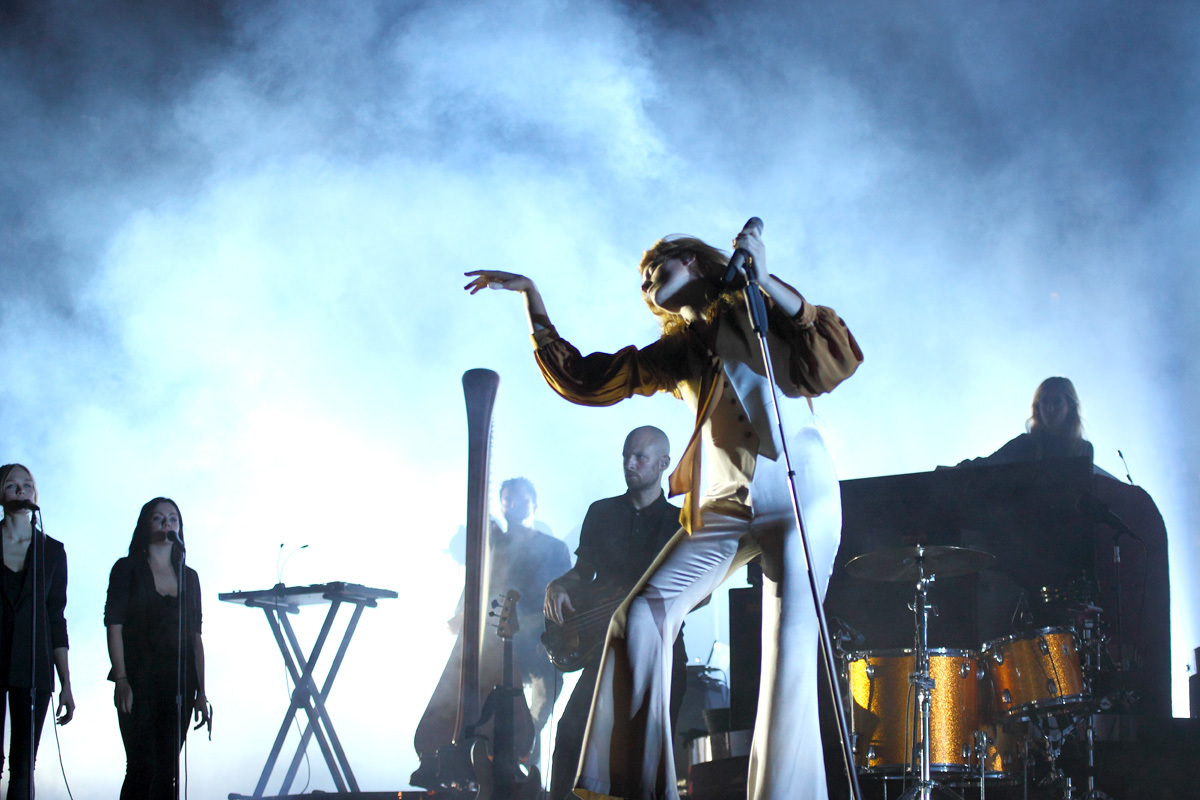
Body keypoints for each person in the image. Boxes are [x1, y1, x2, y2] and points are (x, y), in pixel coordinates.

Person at [465, 220, 862, 800]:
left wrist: (764, 278)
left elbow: (835, 360)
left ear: (695, 263)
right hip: (726, 499)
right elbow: (587, 378)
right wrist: (533, 300)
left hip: (800, 485)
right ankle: (645, 791)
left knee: (790, 655)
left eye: (657, 270)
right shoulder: (679, 353)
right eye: (644, 282)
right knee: (639, 620)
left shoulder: (758, 304)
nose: (648, 284)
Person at [544, 426, 689, 800]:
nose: (630, 463)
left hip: (661, 652)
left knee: (645, 756)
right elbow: (583, 572)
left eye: (640, 456)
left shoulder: (681, 522)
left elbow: (698, 593)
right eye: (626, 455)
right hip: (603, 646)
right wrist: (558, 584)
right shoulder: (602, 512)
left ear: (663, 463)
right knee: (570, 736)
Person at [412, 477, 571, 787]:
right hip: (494, 646)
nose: (511, 505)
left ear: (534, 504)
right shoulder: (494, 546)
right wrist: (462, 614)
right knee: (473, 681)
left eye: (519, 499)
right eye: (506, 500)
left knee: (544, 693)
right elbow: (477, 585)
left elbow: (563, 596)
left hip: (537, 643)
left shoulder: (552, 548)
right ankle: (461, 756)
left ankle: (522, 762)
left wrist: (547, 635)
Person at [105, 497, 211, 799]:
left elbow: (195, 637)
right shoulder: (126, 569)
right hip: (138, 681)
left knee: (168, 770)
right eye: (159, 518)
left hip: (177, 683)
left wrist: (201, 692)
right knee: (142, 766)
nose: (167, 524)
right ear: (145, 525)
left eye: (173, 519)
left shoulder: (189, 577)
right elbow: (114, 625)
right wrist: (122, 680)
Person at [0, 464, 74, 800]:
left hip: (34, 665)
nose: (21, 491)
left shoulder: (53, 551)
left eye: (27, 485)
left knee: (22, 765)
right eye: (12, 485)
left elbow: (56, 618)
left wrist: (67, 685)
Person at [961, 377, 1094, 465]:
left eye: (1057, 402)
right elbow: (987, 464)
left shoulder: (1082, 449)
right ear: (1037, 407)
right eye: (1044, 401)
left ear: (1070, 407)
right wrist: (960, 468)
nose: (1049, 408)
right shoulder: (1024, 443)